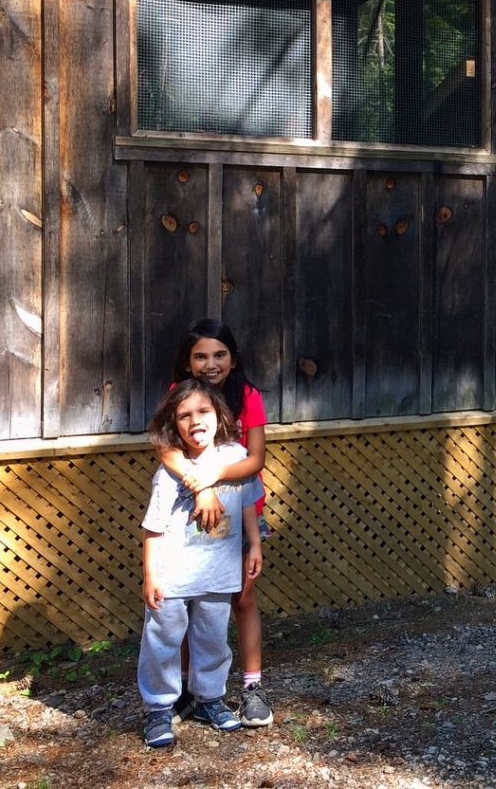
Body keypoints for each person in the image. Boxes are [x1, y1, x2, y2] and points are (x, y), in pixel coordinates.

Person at [156, 319, 273, 728]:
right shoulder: (181, 396)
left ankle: (253, 688)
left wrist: (212, 478)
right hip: (191, 512)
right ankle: (190, 690)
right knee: (192, 598)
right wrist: (199, 485)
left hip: (240, 508)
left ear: (233, 359)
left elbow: (255, 459)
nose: (211, 363)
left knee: (241, 597)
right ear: (187, 364)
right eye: (200, 355)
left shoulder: (249, 396)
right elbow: (167, 449)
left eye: (219, 354)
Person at [138, 379, 262, 748]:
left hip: (219, 573)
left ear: (219, 414)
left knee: (212, 640)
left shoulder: (236, 457)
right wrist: (150, 575)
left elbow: (248, 503)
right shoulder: (170, 473)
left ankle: (210, 700)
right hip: (173, 577)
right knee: (162, 642)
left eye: (203, 411)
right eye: (184, 415)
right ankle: (159, 709)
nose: (195, 421)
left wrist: (254, 544)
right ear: (173, 425)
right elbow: (153, 528)